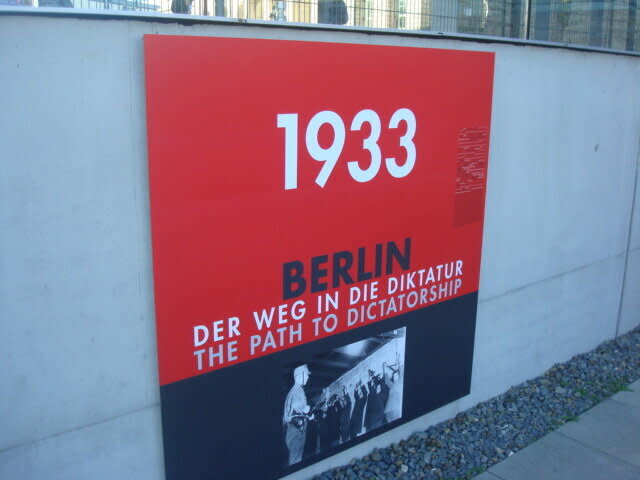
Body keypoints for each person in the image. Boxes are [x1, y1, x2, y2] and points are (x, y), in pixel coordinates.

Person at [283, 364, 311, 465]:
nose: (308, 377)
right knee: (295, 461)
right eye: (306, 375)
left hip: (295, 431)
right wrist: (305, 410)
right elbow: (292, 414)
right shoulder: (297, 391)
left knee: (296, 459)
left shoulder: (296, 390)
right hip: (296, 432)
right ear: (300, 375)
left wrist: (306, 415)